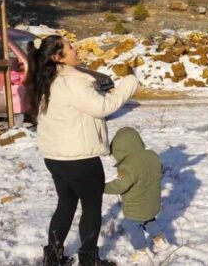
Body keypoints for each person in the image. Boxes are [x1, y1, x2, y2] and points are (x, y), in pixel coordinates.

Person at [26, 35, 139, 266]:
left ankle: (53, 258)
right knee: (91, 208)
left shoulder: (48, 79)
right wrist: (129, 83)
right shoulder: (74, 81)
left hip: (55, 157)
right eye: (70, 47)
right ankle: (88, 260)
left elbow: (80, 106)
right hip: (80, 160)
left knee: (65, 204)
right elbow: (103, 107)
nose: (75, 49)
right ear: (59, 57)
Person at [104, 127, 163, 252]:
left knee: (133, 227)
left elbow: (120, 185)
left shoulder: (128, 166)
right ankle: (159, 238)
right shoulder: (152, 155)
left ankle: (141, 250)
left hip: (135, 208)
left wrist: (102, 188)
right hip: (152, 203)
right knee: (149, 220)